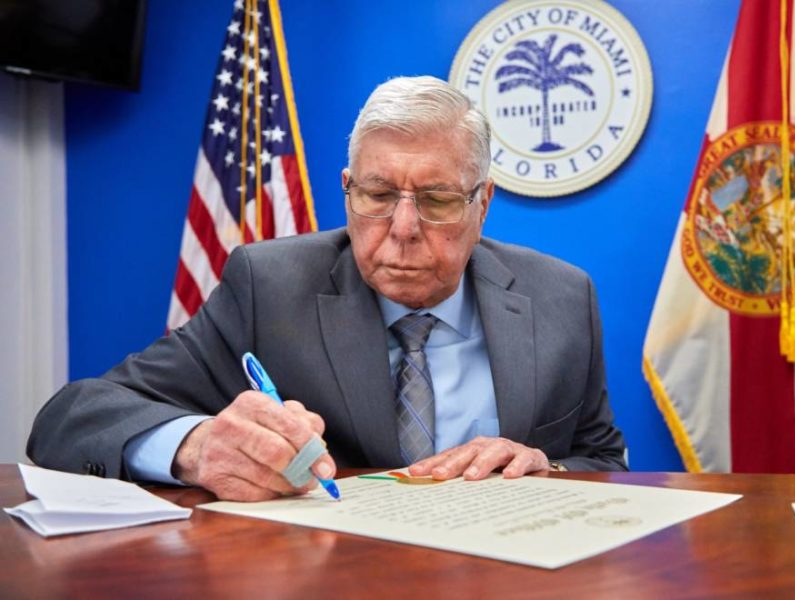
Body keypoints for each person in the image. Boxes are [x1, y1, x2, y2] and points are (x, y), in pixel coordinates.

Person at [28, 76, 626, 501]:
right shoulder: (269, 286)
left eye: (439, 200)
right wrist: (196, 446)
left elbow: (605, 461)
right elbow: (71, 418)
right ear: (347, 189)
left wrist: (546, 465)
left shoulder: (561, 298)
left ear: (483, 203)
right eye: (377, 195)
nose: (403, 229)